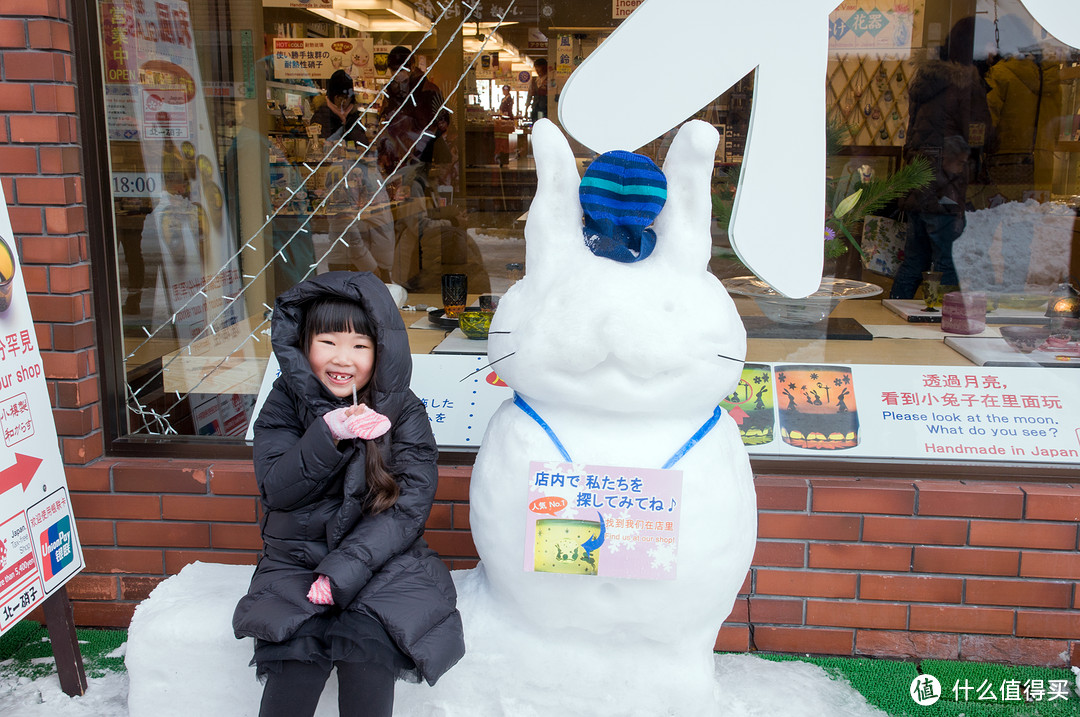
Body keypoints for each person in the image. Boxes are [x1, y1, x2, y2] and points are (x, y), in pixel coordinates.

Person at [233, 271, 465, 717]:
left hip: (383, 562)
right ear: (303, 345)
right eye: (328, 342)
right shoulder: (284, 402)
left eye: (360, 345)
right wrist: (328, 433)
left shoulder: (405, 409)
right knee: (294, 654)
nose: (343, 358)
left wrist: (341, 569)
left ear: (382, 352)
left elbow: (408, 509)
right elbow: (278, 490)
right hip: (296, 561)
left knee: (368, 648)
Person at [890, 20, 990, 300]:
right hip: (947, 186)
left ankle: (894, 317)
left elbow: (914, 136)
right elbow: (980, 133)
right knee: (947, 261)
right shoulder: (965, 84)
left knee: (914, 261)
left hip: (918, 181)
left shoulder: (926, 83)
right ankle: (944, 321)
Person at [311, 69, 365, 144]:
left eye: (346, 97)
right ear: (332, 97)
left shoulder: (353, 116)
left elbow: (362, 143)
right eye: (340, 97)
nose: (343, 101)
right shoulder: (321, 115)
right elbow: (320, 143)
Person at [525, 58, 548, 122]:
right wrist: (526, 108)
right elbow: (529, 95)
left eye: (539, 68)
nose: (537, 70)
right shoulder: (534, 80)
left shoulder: (550, 80)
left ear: (545, 67)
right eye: (536, 68)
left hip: (546, 109)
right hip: (535, 107)